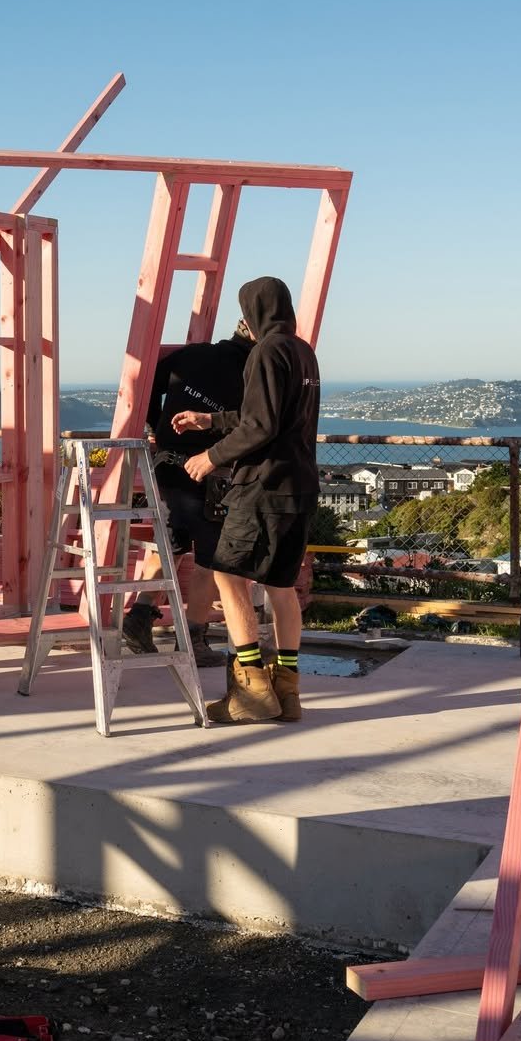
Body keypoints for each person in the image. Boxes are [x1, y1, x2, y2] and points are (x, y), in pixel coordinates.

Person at [174, 276, 321, 725]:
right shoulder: (301, 351)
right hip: (299, 486)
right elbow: (266, 415)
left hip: (264, 487)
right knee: (280, 585)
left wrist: (209, 457)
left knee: (227, 576)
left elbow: (261, 428)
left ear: (253, 312)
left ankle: (252, 687)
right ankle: (287, 690)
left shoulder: (265, 352)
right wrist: (212, 420)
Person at [121, 321, 254, 667]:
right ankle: (194, 639)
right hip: (209, 469)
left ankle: (138, 616)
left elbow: (146, 384)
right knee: (210, 558)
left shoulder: (194, 355)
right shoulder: (251, 371)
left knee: (171, 542)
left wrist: (157, 427)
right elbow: (252, 423)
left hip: (167, 465)